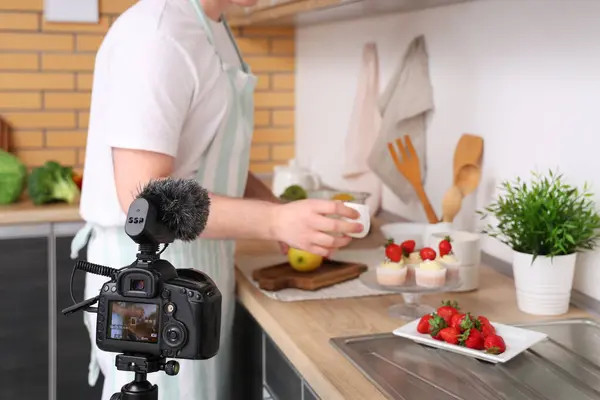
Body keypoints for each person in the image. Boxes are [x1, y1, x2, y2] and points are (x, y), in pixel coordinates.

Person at [69, 0, 363, 399]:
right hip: (150, 277)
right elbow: (144, 199)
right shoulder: (157, 35)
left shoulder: (212, 27)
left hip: (198, 263)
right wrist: (274, 222)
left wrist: (281, 213)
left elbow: (216, 160)